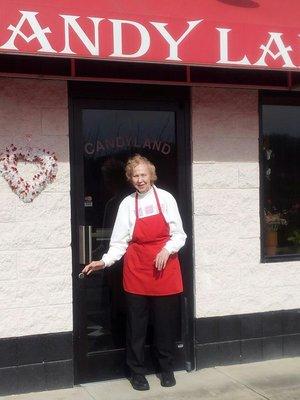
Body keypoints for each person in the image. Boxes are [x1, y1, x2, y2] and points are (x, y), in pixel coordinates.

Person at [81, 154, 187, 391]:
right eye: (135, 176)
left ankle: (166, 368)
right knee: (137, 327)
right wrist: (105, 261)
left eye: (143, 175)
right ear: (130, 179)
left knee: (164, 324)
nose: (140, 180)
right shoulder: (127, 204)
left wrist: (167, 250)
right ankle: (137, 372)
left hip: (164, 269)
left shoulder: (166, 199)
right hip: (137, 270)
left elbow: (179, 234)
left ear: (151, 175)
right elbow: (119, 242)